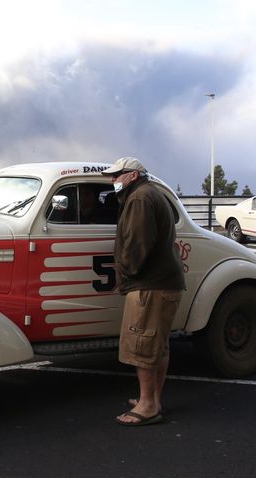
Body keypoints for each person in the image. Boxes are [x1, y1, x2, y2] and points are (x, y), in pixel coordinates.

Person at [102, 157, 185, 427]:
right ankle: (152, 399)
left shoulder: (139, 199)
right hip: (162, 284)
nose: (113, 180)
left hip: (150, 286)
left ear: (133, 175)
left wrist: (124, 274)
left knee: (142, 345)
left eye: (117, 175)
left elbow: (137, 246)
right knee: (156, 346)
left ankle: (148, 405)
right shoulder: (148, 194)